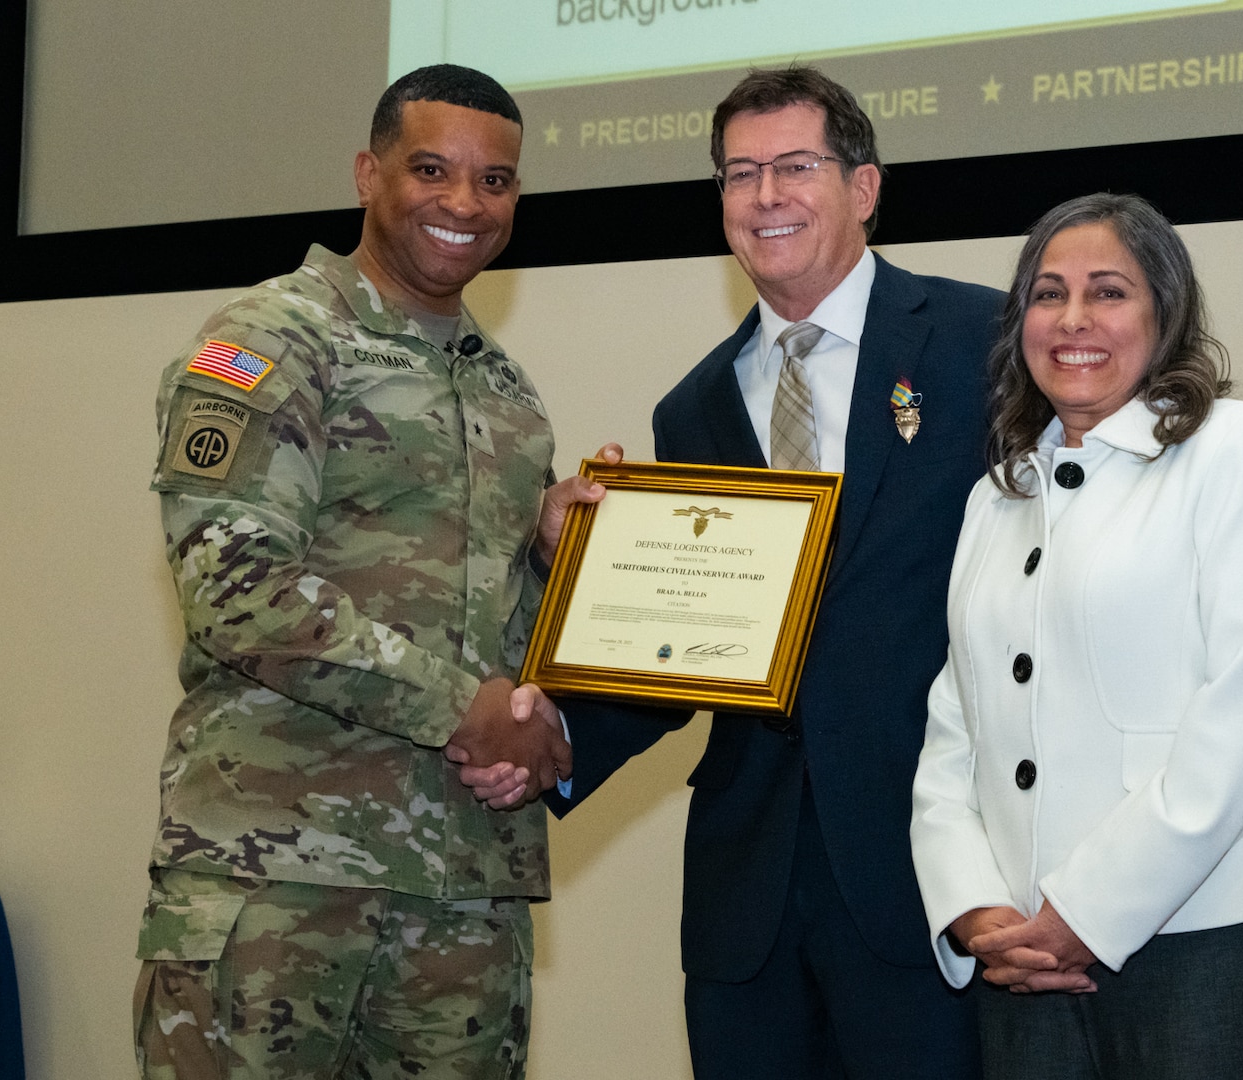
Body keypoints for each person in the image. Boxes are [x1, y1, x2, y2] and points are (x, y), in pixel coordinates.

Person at [459, 65, 1005, 1077]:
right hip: (746, 900)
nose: (766, 197)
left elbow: (1087, 528)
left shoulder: (985, 342)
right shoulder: (696, 407)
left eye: (795, 167)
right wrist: (559, 735)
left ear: (865, 187)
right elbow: (700, 643)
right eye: (740, 174)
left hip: (928, 876)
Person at [133, 64, 594, 1080]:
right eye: (432, 169)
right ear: (366, 172)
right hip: (280, 887)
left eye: (496, 181)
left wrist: (557, 589)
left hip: (467, 897)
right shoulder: (271, 339)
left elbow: (487, 635)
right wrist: (467, 707)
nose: (465, 204)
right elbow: (235, 589)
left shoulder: (511, 395)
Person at [910, 192, 1243, 1079]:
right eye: (1047, 293)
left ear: (1164, 313)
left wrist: (1088, 912)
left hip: (1209, 933)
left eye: (1108, 292)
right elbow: (957, 724)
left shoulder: (1238, 448)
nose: (1072, 320)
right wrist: (974, 906)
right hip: (1024, 954)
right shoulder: (999, 494)